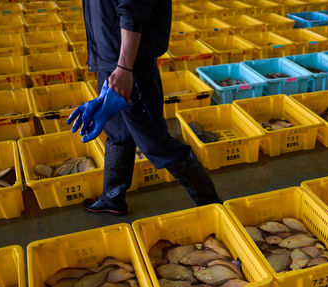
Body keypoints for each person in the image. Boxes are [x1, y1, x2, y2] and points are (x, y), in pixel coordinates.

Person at [79, 0, 221, 215]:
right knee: (117, 131)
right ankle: (112, 196)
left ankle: (212, 205)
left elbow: (132, 11)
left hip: (128, 66)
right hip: (110, 62)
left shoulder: (126, 67)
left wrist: (124, 69)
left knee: (155, 142)